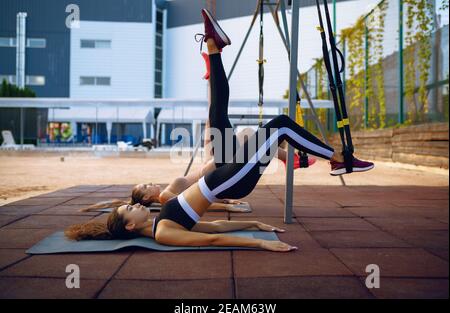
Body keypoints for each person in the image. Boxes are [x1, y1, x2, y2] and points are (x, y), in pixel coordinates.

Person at [66, 9, 374, 252]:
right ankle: (338, 159)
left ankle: (213, 48)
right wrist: (259, 243)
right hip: (229, 182)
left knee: (217, 114)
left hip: (224, 172)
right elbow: (212, 241)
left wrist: (253, 223)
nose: (135, 204)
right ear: (131, 226)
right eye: (131, 208)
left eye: (131, 203)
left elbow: (212, 228)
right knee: (279, 124)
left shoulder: (162, 219)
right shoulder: (164, 233)